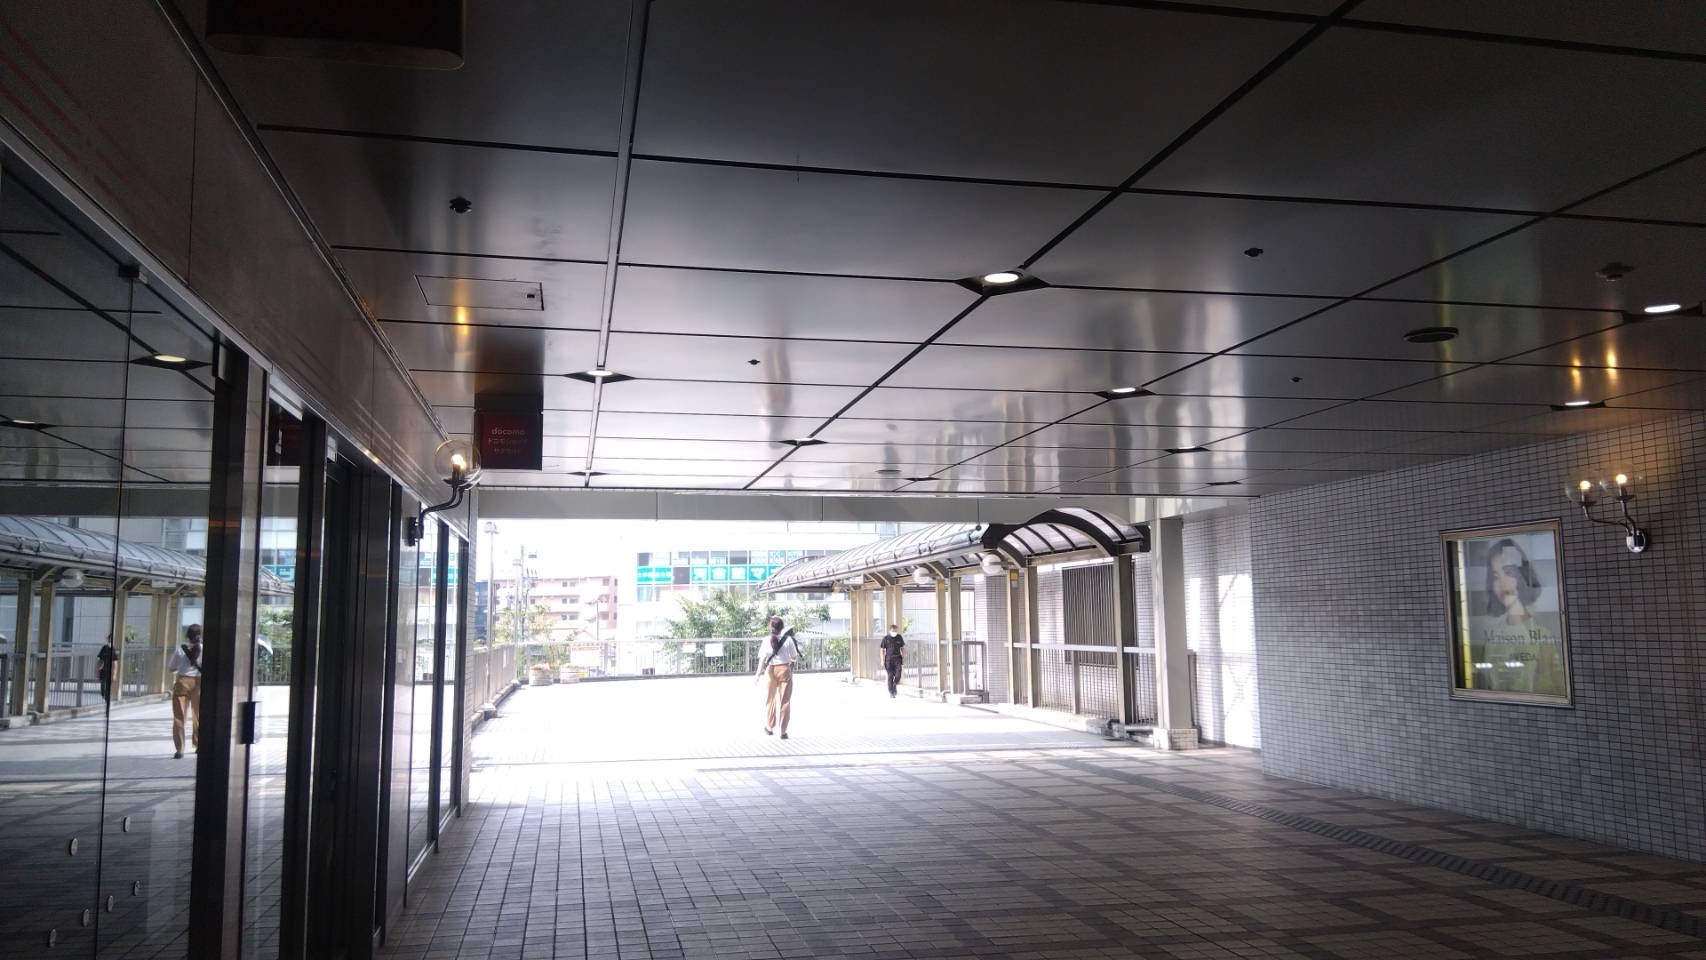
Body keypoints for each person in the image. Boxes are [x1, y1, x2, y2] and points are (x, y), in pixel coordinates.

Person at [166, 624, 204, 758]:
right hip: (199, 683)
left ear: (187, 635)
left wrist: (182, 666)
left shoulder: (180, 649)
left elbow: (171, 668)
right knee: (198, 715)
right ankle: (198, 744)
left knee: (179, 716)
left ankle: (180, 749)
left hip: (182, 682)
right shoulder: (203, 648)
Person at [760, 616, 799, 739]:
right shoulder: (788, 640)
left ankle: (770, 727)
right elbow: (794, 656)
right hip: (784, 670)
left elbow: (762, 658)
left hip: (770, 670)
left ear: (770, 627)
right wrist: (792, 658)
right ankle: (783, 731)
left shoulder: (766, 640)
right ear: (782, 627)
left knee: (770, 699)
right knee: (785, 701)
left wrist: (757, 674)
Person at [878, 624, 906, 698]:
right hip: (888, 660)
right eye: (893, 631)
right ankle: (891, 692)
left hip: (898, 659)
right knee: (890, 676)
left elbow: (902, 647)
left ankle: (894, 685)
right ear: (890, 631)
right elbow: (882, 649)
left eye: (896, 631)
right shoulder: (886, 638)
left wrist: (903, 656)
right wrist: (882, 660)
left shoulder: (899, 637)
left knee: (898, 675)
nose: (894, 632)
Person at [96, 634, 118, 704]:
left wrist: (114, 674)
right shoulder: (104, 648)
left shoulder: (113, 650)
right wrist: (97, 671)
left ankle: (107, 700)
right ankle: (104, 696)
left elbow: (115, 663)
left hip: (109, 671)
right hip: (103, 670)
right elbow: (99, 660)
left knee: (108, 686)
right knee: (103, 686)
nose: (110, 640)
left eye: (111, 639)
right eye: (109, 639)